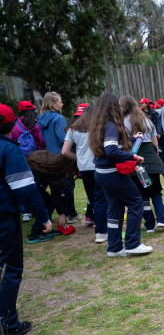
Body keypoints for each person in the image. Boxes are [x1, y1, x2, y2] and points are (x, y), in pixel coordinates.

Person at [0, 103, 52, 335]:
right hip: (3, 219)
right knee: (10, 269)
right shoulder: (9, 150)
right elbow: (26, 190)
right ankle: (8, 323)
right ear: (11, 125)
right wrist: (42, 216)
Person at [89, 93, 152, 257]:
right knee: (136, 202)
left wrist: (131, 138)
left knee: (115, 209)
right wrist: (133, 156)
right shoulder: (111, 125)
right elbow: (111, 150)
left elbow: (109, 145)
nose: (120, 106)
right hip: (112, 174)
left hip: (102, 173)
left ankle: (115, 248)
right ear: (112, 106)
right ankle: (133, 243)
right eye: (118, 104)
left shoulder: (100, 124)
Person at [121, 96, 164, 233]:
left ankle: (149, 225)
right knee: (155, 192)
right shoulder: (147, 120)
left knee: (142, 194)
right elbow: (155, 144)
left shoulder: (121, 122)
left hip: (136, 162)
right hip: (152, 161)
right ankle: (161, 220)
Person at [61, 105, 109, 243]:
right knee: (100, 197)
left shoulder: (72, 129)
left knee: (92, 198)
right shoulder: (99, 128)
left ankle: (98, 223)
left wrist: (79, 159)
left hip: (83, 168)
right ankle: (101, 231)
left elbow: (64, 152)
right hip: (98, 166)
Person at [38, 91, 80, 223]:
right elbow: (64, 139)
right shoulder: (59, 119)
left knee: (56, 187)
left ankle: (63, 212)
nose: (62, 104)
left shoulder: (41, 119)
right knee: (68, 186)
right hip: (62, 157)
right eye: (60, 101)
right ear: (53, 103)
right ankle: (71, 214)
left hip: (50, 156)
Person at [26, 151, 79, 242]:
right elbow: (56, 196)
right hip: (26, 184)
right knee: (47, 204)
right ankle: (35, 233)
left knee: (48, 203)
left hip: (28, 181)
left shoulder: (54, 162)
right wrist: (61, 214)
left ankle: (45, 229)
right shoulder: (57, 173)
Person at [10, 101, 45, 223]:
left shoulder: (15, 124)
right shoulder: (36, 123)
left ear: (19, 111)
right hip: (37, 158)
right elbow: (41, 140)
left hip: (21, 159)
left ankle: (25, 212)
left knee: (22, 184)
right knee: (37, 184)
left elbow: (11, 140)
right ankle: (38, 210)